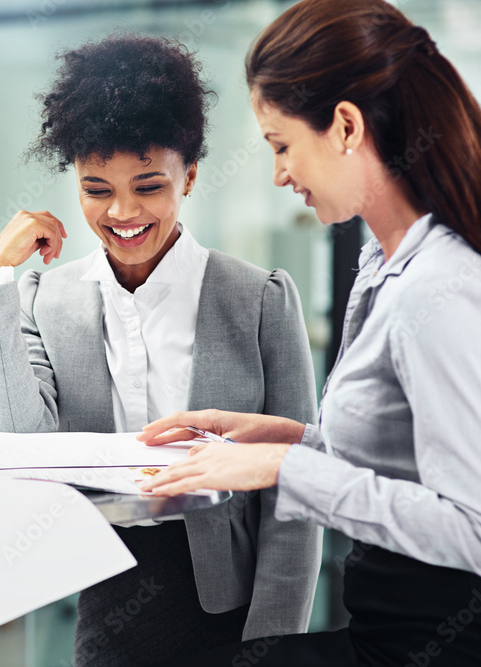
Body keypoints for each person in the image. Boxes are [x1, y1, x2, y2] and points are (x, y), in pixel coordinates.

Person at [138, 1, 481, 665]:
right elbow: (399, 452)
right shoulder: (384, 263)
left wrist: (285, 469)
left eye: (282, 145)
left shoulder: (438, 290)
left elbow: (472, 525)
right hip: (386, 633)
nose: (279, 174)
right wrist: (282, 435)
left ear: (346, 126)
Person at [0, 35, 322, 666]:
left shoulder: (259, 297)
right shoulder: (43, 298)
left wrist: (275, 642)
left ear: (189, 175)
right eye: (96, 189)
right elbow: (15, 441)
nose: (123, 212)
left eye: (149, 185)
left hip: (231, 605)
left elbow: (294, 495)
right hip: (105, 591)